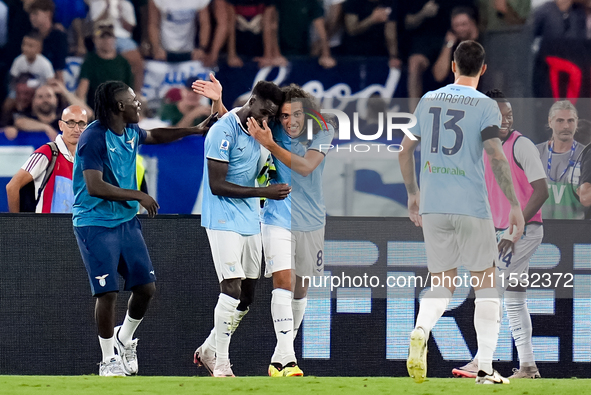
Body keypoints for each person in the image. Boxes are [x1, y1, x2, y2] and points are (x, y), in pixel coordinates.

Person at [398, 40, 525, 385]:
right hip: (471, 205)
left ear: (453, 65)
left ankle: (421, 328)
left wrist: (413, 195)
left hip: (433, 206)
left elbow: (404, 150)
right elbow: (496, 155)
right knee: (486, 285)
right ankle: (484, 368)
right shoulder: (486, 106)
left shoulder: (428, 100)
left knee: (442, 284)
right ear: (483, 70)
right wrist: (514, 204)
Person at [72, 80, 217, 376]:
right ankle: (108, 360)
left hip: (125, 221)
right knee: (107, 293)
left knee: (146, 288)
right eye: (133, 99)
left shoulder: (129, 131)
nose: (139, 103)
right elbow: (94, 185)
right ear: (118, 107)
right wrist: (138, 194)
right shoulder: (93, 137)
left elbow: (156, 135)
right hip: (95, 222)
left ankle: (123, 339)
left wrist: (194, 129)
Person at [193, 79, 289, 378]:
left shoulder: (260, 132)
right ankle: (221, 363)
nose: (266, 118)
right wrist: (264, 193)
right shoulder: (223, 131)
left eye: (271, 115)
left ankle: (209, 347)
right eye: (263, 110)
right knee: (231, 288)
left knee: (247, 295)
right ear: (252, 99)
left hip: (250, 219)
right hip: (222, 218)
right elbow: (217, 184)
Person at [452, 90, 548, 379]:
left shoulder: (522, 146)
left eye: (509, 115)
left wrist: (513, 229)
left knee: (489, 291)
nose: (505, 120)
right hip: (500, 232)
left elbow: (542, 191)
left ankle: (482, 361)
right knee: (515, 300)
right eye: (499, 115)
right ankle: (528, 366)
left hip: (523, 232)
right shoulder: (481, 147)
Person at [247, 84, 335, 377]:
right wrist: (218, 102)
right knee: (284, 281)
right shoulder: (270, 125)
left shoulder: (323, 129)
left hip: (312, 222)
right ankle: (289, 358)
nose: (290, 121)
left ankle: (279, 357)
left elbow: (307, 167)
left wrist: (271, 145)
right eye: (284, 116)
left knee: (301, 290)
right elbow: (239, 118)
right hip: (276, 218)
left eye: (296, 114)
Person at [6, 105, 88, 213]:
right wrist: (16, 226)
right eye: (71, 123)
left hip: (76, 229)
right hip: (45, 228)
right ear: (61, 125)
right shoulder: (48, 152)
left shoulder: (87, 159)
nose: (77, 129)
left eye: (81, 124)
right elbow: (12, 186)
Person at [536, 100, 586, 219]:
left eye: (570, 120)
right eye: (560, 120)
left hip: (575, 230)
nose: (566, 126)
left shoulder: (586, 156)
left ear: (576, 122)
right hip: (540, 229)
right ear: (550, 122)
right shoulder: (535, 153)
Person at [76, 21, 134, 110]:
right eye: (102, 37)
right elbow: (82, 90)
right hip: (97, 111)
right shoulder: (90, 61)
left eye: (109, 37)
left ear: (114, 39)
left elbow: (130, 92)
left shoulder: (123, 62)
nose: (106, 41)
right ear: (95, 40)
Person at [28, 0, 68, 81]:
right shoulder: (30, 35)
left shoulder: (59, 37)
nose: (32, 18)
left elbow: (59, 69)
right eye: (30, 14)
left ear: (48, 13)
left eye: (35, 14)